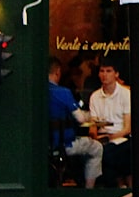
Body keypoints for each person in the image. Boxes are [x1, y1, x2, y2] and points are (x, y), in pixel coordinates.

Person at [48, 56, 102, 188]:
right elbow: (80, 119)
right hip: (62, 145)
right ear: (58, 72)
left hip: (42, 145)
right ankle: (88, 191)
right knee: (96, 147)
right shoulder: (63, 92)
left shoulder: (36, 92)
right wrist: (90, 117)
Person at [89, 58, 132, 188]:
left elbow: (127, 128)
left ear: (116, 74)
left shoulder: (125, 94)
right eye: (102, 71)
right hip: (102, 139)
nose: (104, 75)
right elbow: (93, 125)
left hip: (121, 138)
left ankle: (122, 185)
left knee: (117, 153)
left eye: (108, 71)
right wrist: (94, 135)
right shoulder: (95, 96)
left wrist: (110, 138)